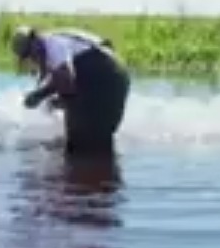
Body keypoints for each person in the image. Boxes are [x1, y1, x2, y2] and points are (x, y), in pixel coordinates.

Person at [11, 25, 131, 157]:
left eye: (29, 53)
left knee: (78, 147)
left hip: (105, 73)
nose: (32, 58)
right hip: (114, 75)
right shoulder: (56, 45)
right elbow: (69, 84)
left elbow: (67, 80)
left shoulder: (52, 44)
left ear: (35, 41)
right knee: (97, 146)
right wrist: (55, 101)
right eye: (27, 57)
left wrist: (40, 95)